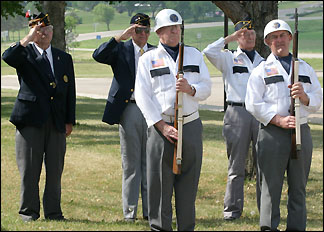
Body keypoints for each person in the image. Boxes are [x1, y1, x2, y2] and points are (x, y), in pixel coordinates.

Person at [135, 9, 212, 231]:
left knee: (188, 185)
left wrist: (192, 88)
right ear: (159, 32)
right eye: (171, 28)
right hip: (162, 127)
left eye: (178, 27)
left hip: (190, 124)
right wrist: (161, 126)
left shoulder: (194, 55)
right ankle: (160, 227)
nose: (176, 31)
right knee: (160, 185)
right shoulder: (148, 59)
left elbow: (207, 87)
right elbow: (142, 96)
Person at [245, 19, 322, 231]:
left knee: (298, 187)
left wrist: (305, 97)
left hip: (301, 131)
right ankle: (269, 227)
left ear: (290, 38)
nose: (279, 40)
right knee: (271, 187)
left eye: (282, 36)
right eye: (274, 37)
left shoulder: (304, 68)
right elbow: (252, 103)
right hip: (272, 133)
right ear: (268, 42)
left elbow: (318, 97)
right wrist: (277, 119)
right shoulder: (262, 70)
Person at [2, 12, 76, 222]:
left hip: (56, 120)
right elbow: (7, 57)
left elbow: (70, 91)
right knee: (29, 170)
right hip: (30, 120)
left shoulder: (63, 57)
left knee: (55, 171)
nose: (42, 33)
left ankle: (54, 212)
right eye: (38, 30)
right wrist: (27, 38)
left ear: (52, 31)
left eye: (45, 29)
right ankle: (29, 212)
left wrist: (69, 119)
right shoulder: (24, 54)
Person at [92, 13, 154, 222]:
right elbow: (98, 55)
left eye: (146, 30)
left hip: (152, 110)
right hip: (130, 108)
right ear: (131, 30)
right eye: (138, 30)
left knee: (151, 161)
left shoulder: (155, 52)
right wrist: (121, 37)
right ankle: (129, 212)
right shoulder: (121, 49)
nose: (143, 34)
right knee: (131, 162)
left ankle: (150, 211)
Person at [202, 17, 263, 220]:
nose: (250, 37)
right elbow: (208, 51)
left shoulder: (263, 61)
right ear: (238, 37)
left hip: (260, 114)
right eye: (244, 34)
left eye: (252, 33)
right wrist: (228, 38)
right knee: (236, 166)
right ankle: (232, 210)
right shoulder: (228, 58)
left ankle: (266, 209)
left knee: (263, 164)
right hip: (238, 112)